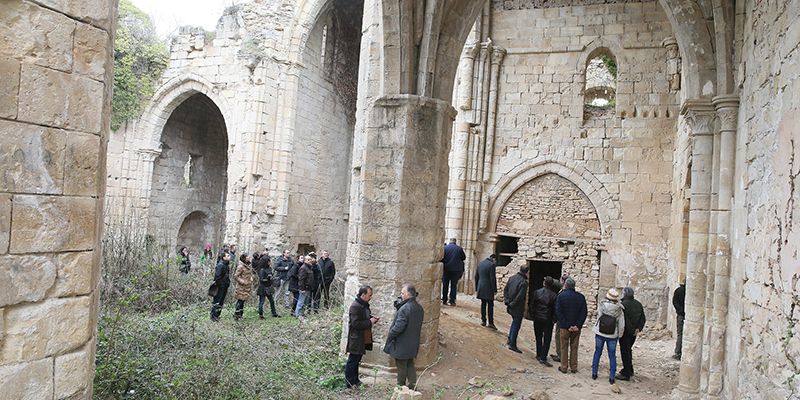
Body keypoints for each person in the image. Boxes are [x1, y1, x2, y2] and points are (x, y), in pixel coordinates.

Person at [384, 284, 425, 389]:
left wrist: (390, 336)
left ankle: (400, 387)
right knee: (410, 364)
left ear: (408, 294)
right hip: (413, 343)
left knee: (401, 366)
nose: (401, 295)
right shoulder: (419, 308)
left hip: (402, 343)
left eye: (402, 293)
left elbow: (398, 327)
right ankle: (412, 385)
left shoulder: (405, 309)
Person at [345, 285, 379, 389]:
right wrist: (370, 322)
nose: (371, 297)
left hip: (361, 337)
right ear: (363, 295)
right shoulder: (355, 306)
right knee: (353, 360)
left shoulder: (363, 305)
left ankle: (355, 380)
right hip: (356, 338)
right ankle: (350, 383)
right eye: (369, 295)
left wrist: (371, 318)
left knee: (357, 359)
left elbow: (363, 317)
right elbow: (355, 324)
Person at [591, 288, 625, 385]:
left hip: (600, 332)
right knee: (612, 355)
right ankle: (612, 377)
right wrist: (620, 334)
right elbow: (621, 324)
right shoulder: (619, 309)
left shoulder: (602, 305)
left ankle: (594, 373)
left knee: (597, 352)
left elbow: (599, 316)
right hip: (612, 334)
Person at [555, 277, 587, 374]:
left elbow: (558, 312)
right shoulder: (581, 297)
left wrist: (567, 325)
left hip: (565, 327)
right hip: (576, 328)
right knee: (574, 347)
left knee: (564, 347)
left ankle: (564, 367)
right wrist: (577, 325)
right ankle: (574, 367)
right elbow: (584, 313)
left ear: (566, 285)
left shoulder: (561, 296)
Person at [617, 286, 645, 381]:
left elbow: (624, 320)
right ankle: (629, 369)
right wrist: (638, 329)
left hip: (626, 332)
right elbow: (642, 318)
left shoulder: (623, 305)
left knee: (625, 351)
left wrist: (631, 329)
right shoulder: (638, 304)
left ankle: (626, 373)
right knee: (628, 350)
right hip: (634, 333)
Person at [529, 276, 558, 366]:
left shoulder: (537, 292)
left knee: (538, 336)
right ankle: (543, 356)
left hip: (537, 318)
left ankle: (538, 354)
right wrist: (554, 319)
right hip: (548, 319)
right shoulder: (554, 295)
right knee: (547, 339)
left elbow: (532, 305)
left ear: (544, 283)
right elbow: (555, 309)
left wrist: (533, 315)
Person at [503, 265, 529, 353]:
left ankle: (510, 339)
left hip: (510, 305)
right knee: (516, 325)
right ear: (527, 272)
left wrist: (507, 301)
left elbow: (505, 290)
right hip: (517, 307)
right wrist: (512, 304)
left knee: (514, 323)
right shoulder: (524, 282)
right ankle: (512, 344)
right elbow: (520, 297)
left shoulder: (512, 278)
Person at [474, 254, 498, 329]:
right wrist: (494, 289)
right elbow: (492, 278)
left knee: (483, 304)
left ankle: (483, 321)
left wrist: (477, 287)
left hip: (481, 286)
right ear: (493, 258)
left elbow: (476, 276)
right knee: (490, 306)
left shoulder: (480, 263)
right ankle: (491, 323)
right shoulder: (491, 265)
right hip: (488, 288)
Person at [441, 238, 466, 306]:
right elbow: (463, 258)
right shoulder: (459, 249)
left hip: (446, 269)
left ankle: (444, 300)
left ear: (449, 242)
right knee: (453, 285)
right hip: (455, 270)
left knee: (445, 285)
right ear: (455, 242)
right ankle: (452, 301)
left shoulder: (445, 248)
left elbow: (442, 258)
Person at [256, 251, 280, 319]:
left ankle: (274, 313)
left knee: (272, 301)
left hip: (269, 286)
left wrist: (272, 278)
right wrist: (268, 278)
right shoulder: (262, 270)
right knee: (262, 302)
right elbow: (261, 280)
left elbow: (271, 276)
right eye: (269, 261)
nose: (270, 262)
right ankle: (261, 314)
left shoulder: (269, 268)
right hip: (263, 287)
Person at [550, 272, 568, 363]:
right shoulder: (569, 291)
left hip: (561, 319)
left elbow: (558, 307)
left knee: (559, 337)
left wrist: (555, 318)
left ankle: (561, 356)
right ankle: (561, 355)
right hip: (568, 319)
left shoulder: (562, 293)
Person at [210, 252, 231, 322]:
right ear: (223, 257)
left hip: (224, 286)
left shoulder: (226, 265)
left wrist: (227, 283)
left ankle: (217, 315)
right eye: (228, 256)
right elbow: (217, 277)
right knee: (217, 301)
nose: (229, 256)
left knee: (221, 301)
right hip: (220, 287)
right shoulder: (220, 265)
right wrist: (221, 285)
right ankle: (213, 316)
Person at [233, 253, 254, 320]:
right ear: (244, 258)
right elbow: (236, 276)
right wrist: (242, 281)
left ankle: (240, 315)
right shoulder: (241, 266)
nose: (249, 257)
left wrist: (251, 278)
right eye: (248, 257)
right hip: (241, 287)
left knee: (242, 301)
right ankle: (237, 315)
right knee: (240, 301)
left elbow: (249, 274)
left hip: (247, 287)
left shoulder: (248, 265)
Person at [673, 282, 685, 360]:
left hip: (681, 315)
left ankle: (678, 352)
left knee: (680, 334)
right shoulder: (684, 290)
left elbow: (675, 302)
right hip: (686, 314)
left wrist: (680, 311)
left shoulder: (679, 290)